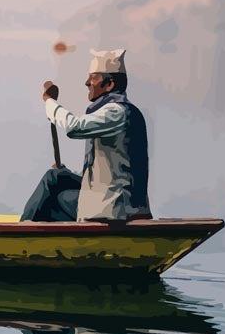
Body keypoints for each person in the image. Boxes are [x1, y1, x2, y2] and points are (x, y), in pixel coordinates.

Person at [21, 48, 151, 222]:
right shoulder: (120, 112)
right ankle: (32, 227)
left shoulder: (116, 112)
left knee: (52, 194)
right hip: (114, 200)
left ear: (109, 84)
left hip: (115, 208)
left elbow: (74, 127)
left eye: (93, 77)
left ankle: (22, 230)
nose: (87, 83)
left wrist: (50, 102)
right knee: (57, 176)